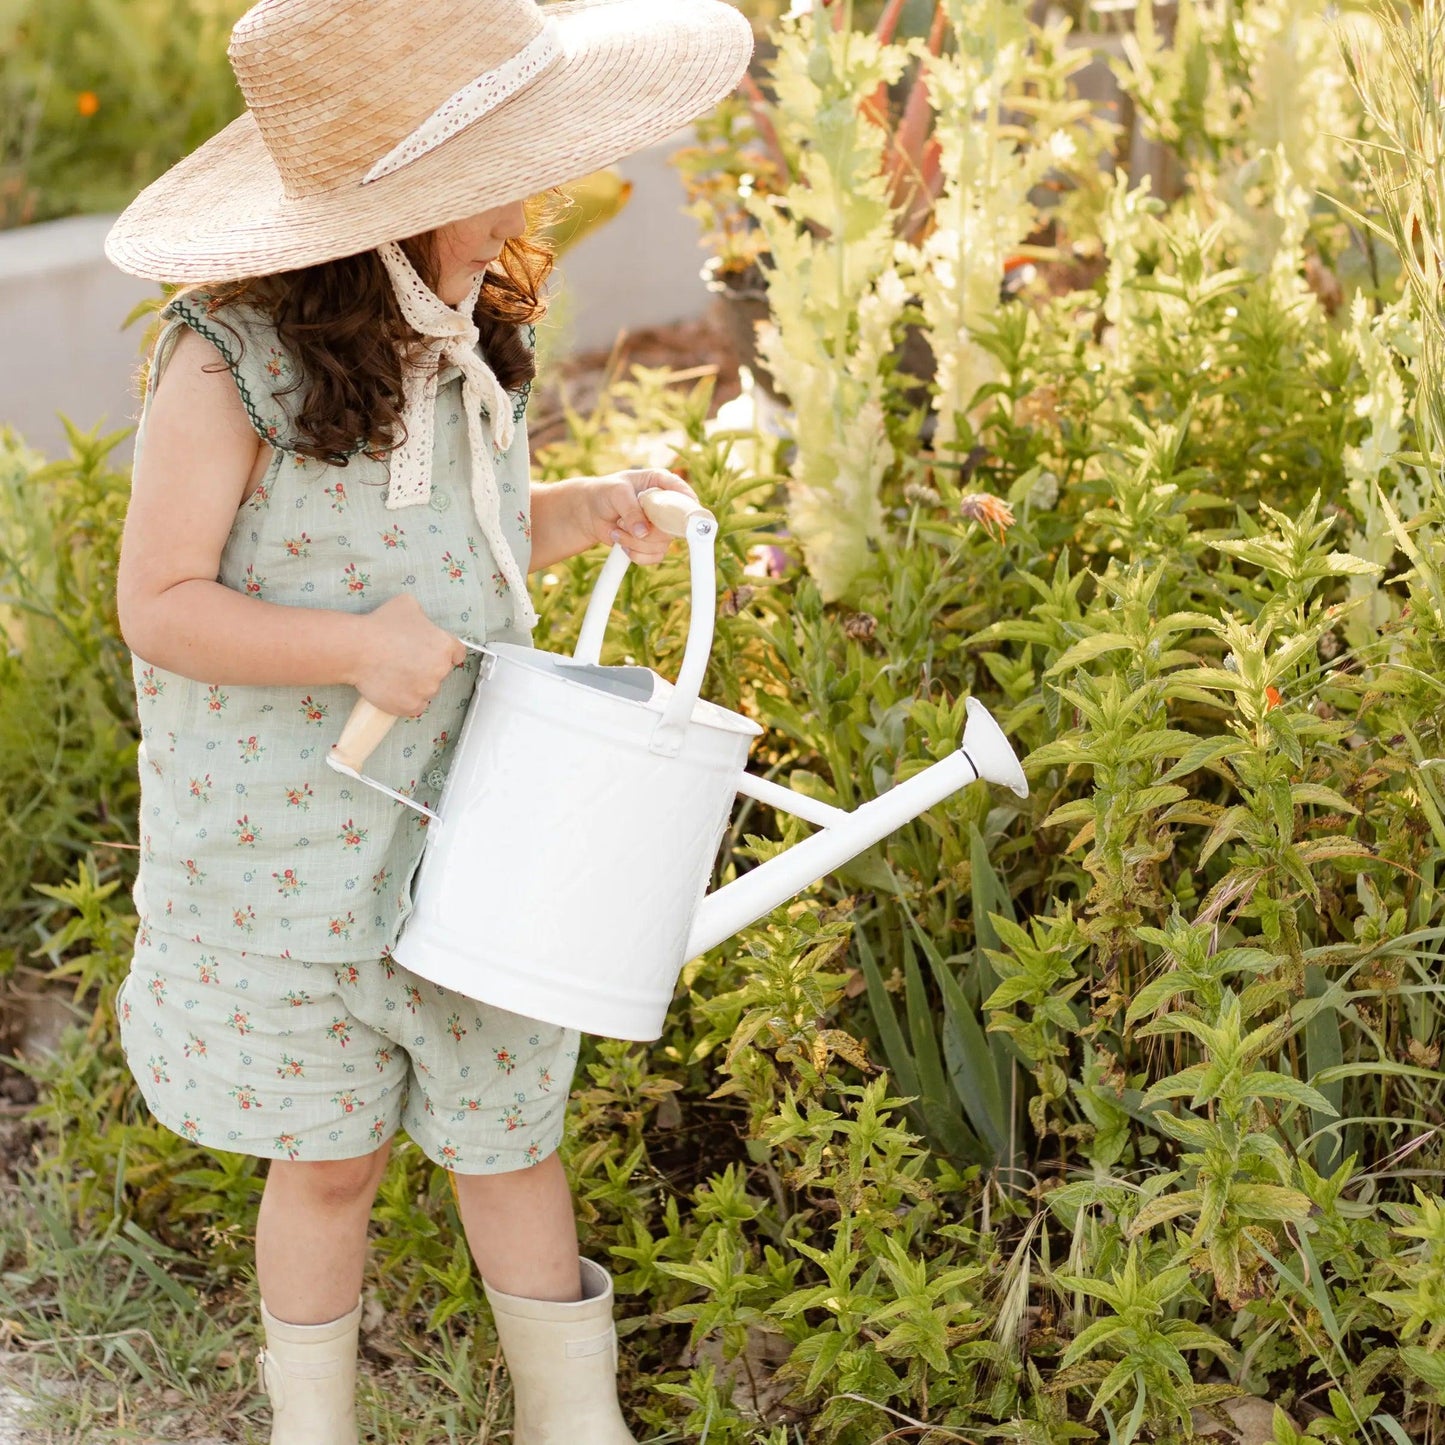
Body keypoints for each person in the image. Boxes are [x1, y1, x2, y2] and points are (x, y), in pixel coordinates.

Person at [102, 0, 752, 1440]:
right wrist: (348, 649)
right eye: (505, 163)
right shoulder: (228, 366)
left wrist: (587, 512)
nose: (532, 191)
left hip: (480, 825)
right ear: (387, 208)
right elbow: (159, 602)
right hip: (296, 849)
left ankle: (571, 1421)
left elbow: (458, 543)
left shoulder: (458, 327)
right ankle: (312, 1423)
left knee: (506, 1133)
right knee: (326, 1158)